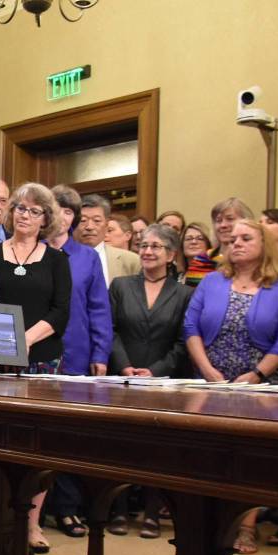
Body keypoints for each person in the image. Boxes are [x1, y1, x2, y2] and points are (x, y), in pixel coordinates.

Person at [184, 219, 278, 554]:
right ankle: (206, 522)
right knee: (208, 453)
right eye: (231, 239)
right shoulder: (211, 282)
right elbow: (191, 326)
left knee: (249, 460)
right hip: (211, 380)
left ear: (264, 243)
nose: (236, 243)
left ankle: (246, 527)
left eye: (246, 238)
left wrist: (257, 376)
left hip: (258, 384)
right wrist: (206, 370)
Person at [0, 183, 71, 554]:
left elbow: (60, 312)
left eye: (34, 210)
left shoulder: (58, 260)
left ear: (46, 218)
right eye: (20, 208)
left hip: (43, 358)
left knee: (37, 442)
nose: (25, 215)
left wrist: (23, 340)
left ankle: (32, 523)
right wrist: (2, 344)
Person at [106, 224, 192, 538]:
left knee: (156, 450)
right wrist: (124, 365)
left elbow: (184, 342)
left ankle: (152, 513)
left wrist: (155, 371)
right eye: (143, 245)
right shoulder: (120, 285)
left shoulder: (184, 294)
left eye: (156, 246)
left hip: (162, 381)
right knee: (120, 447)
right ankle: (116, 510)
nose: (147, 251)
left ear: (170, 255)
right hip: (123, 376)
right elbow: (110, 329)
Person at [48, 185, 112, 377]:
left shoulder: (88, 257)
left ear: (74, 218)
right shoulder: (33, 251)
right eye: (55, 210)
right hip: (34, 351)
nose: (61, 217)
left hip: (76, 354)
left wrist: (100, 355)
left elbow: (99, 310)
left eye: (67, 212)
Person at [76, 194, 141, 285]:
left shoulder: (131, 261)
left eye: (97, 221)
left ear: (106, 225)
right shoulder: (63, 258)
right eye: (83, 220)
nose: (89, 227)